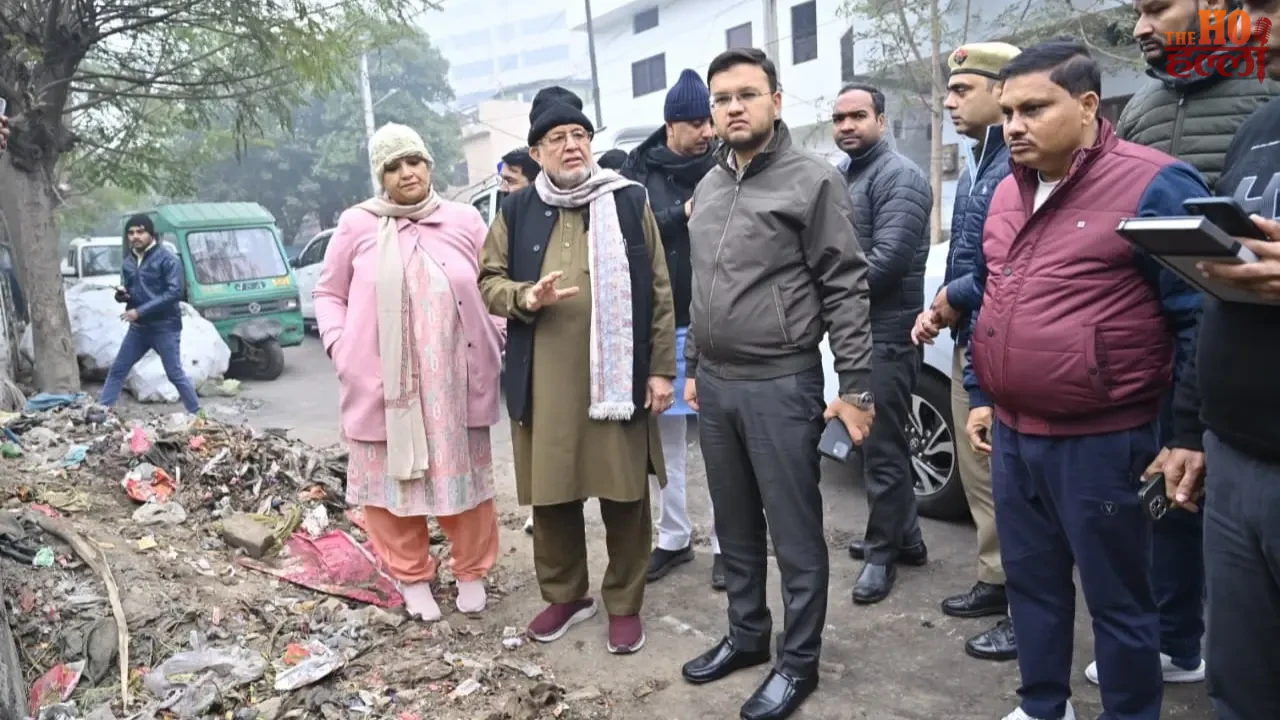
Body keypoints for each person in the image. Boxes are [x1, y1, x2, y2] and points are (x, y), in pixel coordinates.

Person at [963, 41, 1206, 720]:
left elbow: (1201, 317)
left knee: (1120, 602)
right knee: (1033, 587)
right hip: (1014, 438)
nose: (1013, 125)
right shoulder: (1006, 192)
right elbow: (993, 299)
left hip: (1105, 441)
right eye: (1007, 111)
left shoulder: (1156, 183)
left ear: (1088, 105)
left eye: (1034, 108)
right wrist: (982, 395)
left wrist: (1186, 434)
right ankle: (1044, 706)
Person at [1076, 0, 1279, 688]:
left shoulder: (1258, 92)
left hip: (1221, 349)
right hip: (1180, 372)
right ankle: (1175, 638)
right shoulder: (1187, 116)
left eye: (1158, 7)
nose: (1140, 27)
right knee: (1166, 503)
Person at [680, 48, 875, 720]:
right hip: (717, 383)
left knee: (793, 532)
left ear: (776, 101)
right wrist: (694, 368)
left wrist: (855, 386)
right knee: (732, 525)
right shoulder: (708, 187)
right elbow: (702, 287)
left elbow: (847, 287)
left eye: (746, 94)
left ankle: (798, 663)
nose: (733, 107)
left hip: (780, 381)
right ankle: (746, 635)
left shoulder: (810, 180)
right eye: (722, 98)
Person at [478, 85, 677, 656]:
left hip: (616, 380)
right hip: (546, 380)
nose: (572, 146)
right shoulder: (515, 209)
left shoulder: (626, 198)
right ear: (536, 152)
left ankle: (623, 602)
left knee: (624, 496)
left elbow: (660, 290)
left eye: (580, 135)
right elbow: (487, 283)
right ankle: (566, 595)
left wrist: (661, 369)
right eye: (558, 138)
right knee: (554, 495)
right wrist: (525, 296)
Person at [313, 123, 504, 622]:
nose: (407, 173)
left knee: (462, 480)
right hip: (385, 387)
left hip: (453, 384)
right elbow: (328, 294)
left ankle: (470, 569)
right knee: (393, 488)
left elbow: (494, 285)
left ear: (429, 165)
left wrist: (497, 334)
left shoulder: (464, 220)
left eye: (414, 161)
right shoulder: (358, 225)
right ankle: (411, 573)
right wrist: (339, 345)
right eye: (394, 167)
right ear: (382, 177)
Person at [1164, 3, 1280, 715]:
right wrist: (1189, 426)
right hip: (1235, 462)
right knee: (1237, 693)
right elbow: (1219, 291)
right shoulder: (1258, 129)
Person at [913, 41, 1022, 662]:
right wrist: (949, 309)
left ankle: (1024, 604)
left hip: (1006, 341)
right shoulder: (981, 159)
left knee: (1012, 482)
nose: (949, 102)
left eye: (962, 90)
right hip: (970, 337)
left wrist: (952, 297)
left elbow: (1014, 265)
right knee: (981, 475)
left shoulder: (1020, 163)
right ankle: (997, 581)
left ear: (1001, 89)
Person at [620, 68, 722, 590]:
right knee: (669, 445)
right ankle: (675, 537)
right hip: (664, 325)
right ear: (671, 126)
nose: (708, 131)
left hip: (718, 323)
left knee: (724, 442)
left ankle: (731, 543)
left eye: (710, 121)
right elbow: (631, 233)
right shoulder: (640, 171)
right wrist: (680, 213)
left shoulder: (728, 163)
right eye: (697, 123)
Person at [832, 82, 931, 605]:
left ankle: (881, 557)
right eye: (839, 118)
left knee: (883, 448)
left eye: (857, 116)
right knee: (877, 443)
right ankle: (907, 539)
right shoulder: (850, 175)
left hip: (888, 335)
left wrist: (825, 294)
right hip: (860, 333)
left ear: (882, 120)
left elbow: (886, 263)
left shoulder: (901, 178)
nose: (846, 126)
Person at [99, 215, 201, 415]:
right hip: (139, 329)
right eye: (131, 233)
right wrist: (123, 296)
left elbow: (174, 293)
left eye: (140, 231)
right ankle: (102, 412)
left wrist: (139, 311)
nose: (135, 236)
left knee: (174, 373)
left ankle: (197, 413)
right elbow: (131, 290)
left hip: (165, 327)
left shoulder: (167, 259)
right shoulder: (128, 262)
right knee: (118, 370)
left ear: (150, 233)